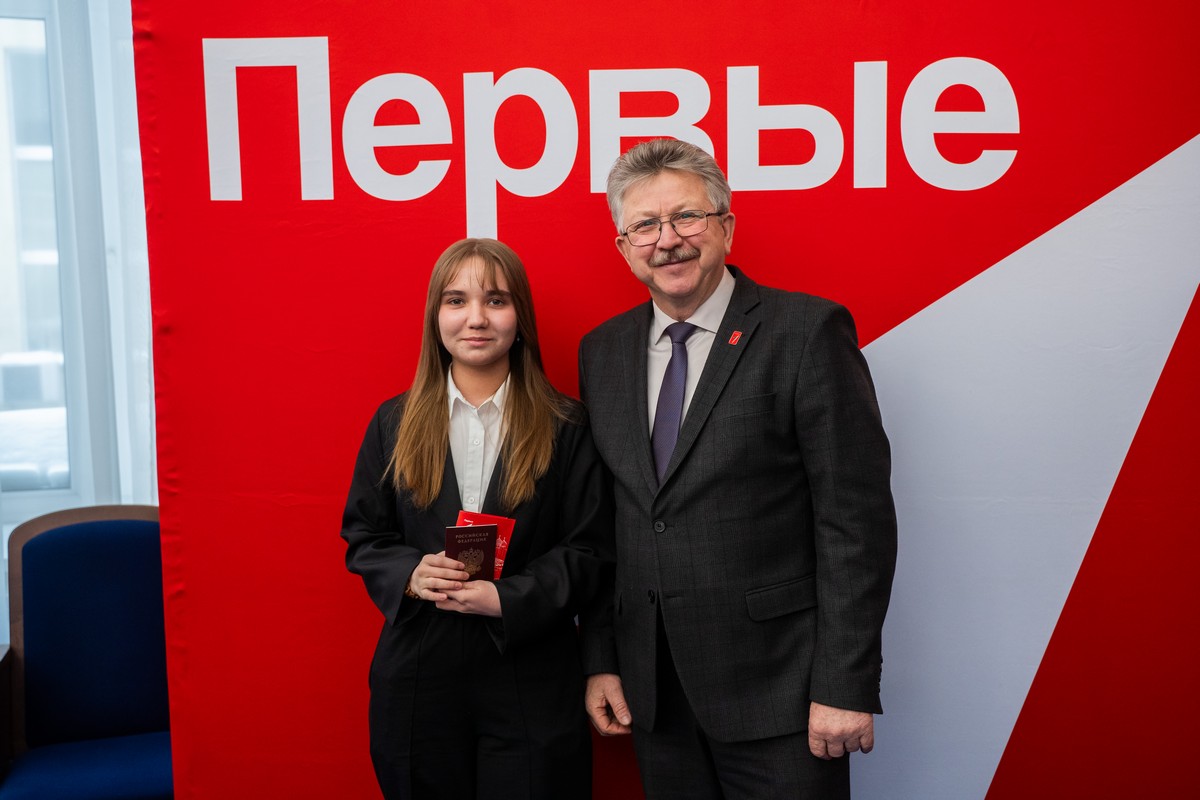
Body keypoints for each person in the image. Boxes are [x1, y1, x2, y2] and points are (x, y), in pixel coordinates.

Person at [578, 139, 898, 800]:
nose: (668, 240)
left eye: (686, 216)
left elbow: (855, 524)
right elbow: (609, 525)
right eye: (645, 225)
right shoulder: (601, 352)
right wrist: (602, 658)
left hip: (782, 696)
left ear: (726, 226)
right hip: (655, 698)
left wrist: (844, 684)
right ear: (623, 246)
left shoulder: (806, 333)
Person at [341, 238, 613, 800]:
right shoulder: (393, 422)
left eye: (495, 300)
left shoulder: (568, 425)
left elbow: (591, 550)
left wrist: (506, 598)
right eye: (456, 300)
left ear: (520, 317)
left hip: (531, 672)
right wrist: (411, 574)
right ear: (435, 317)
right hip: (418, 672)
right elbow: (365, 536)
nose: (476, 318)